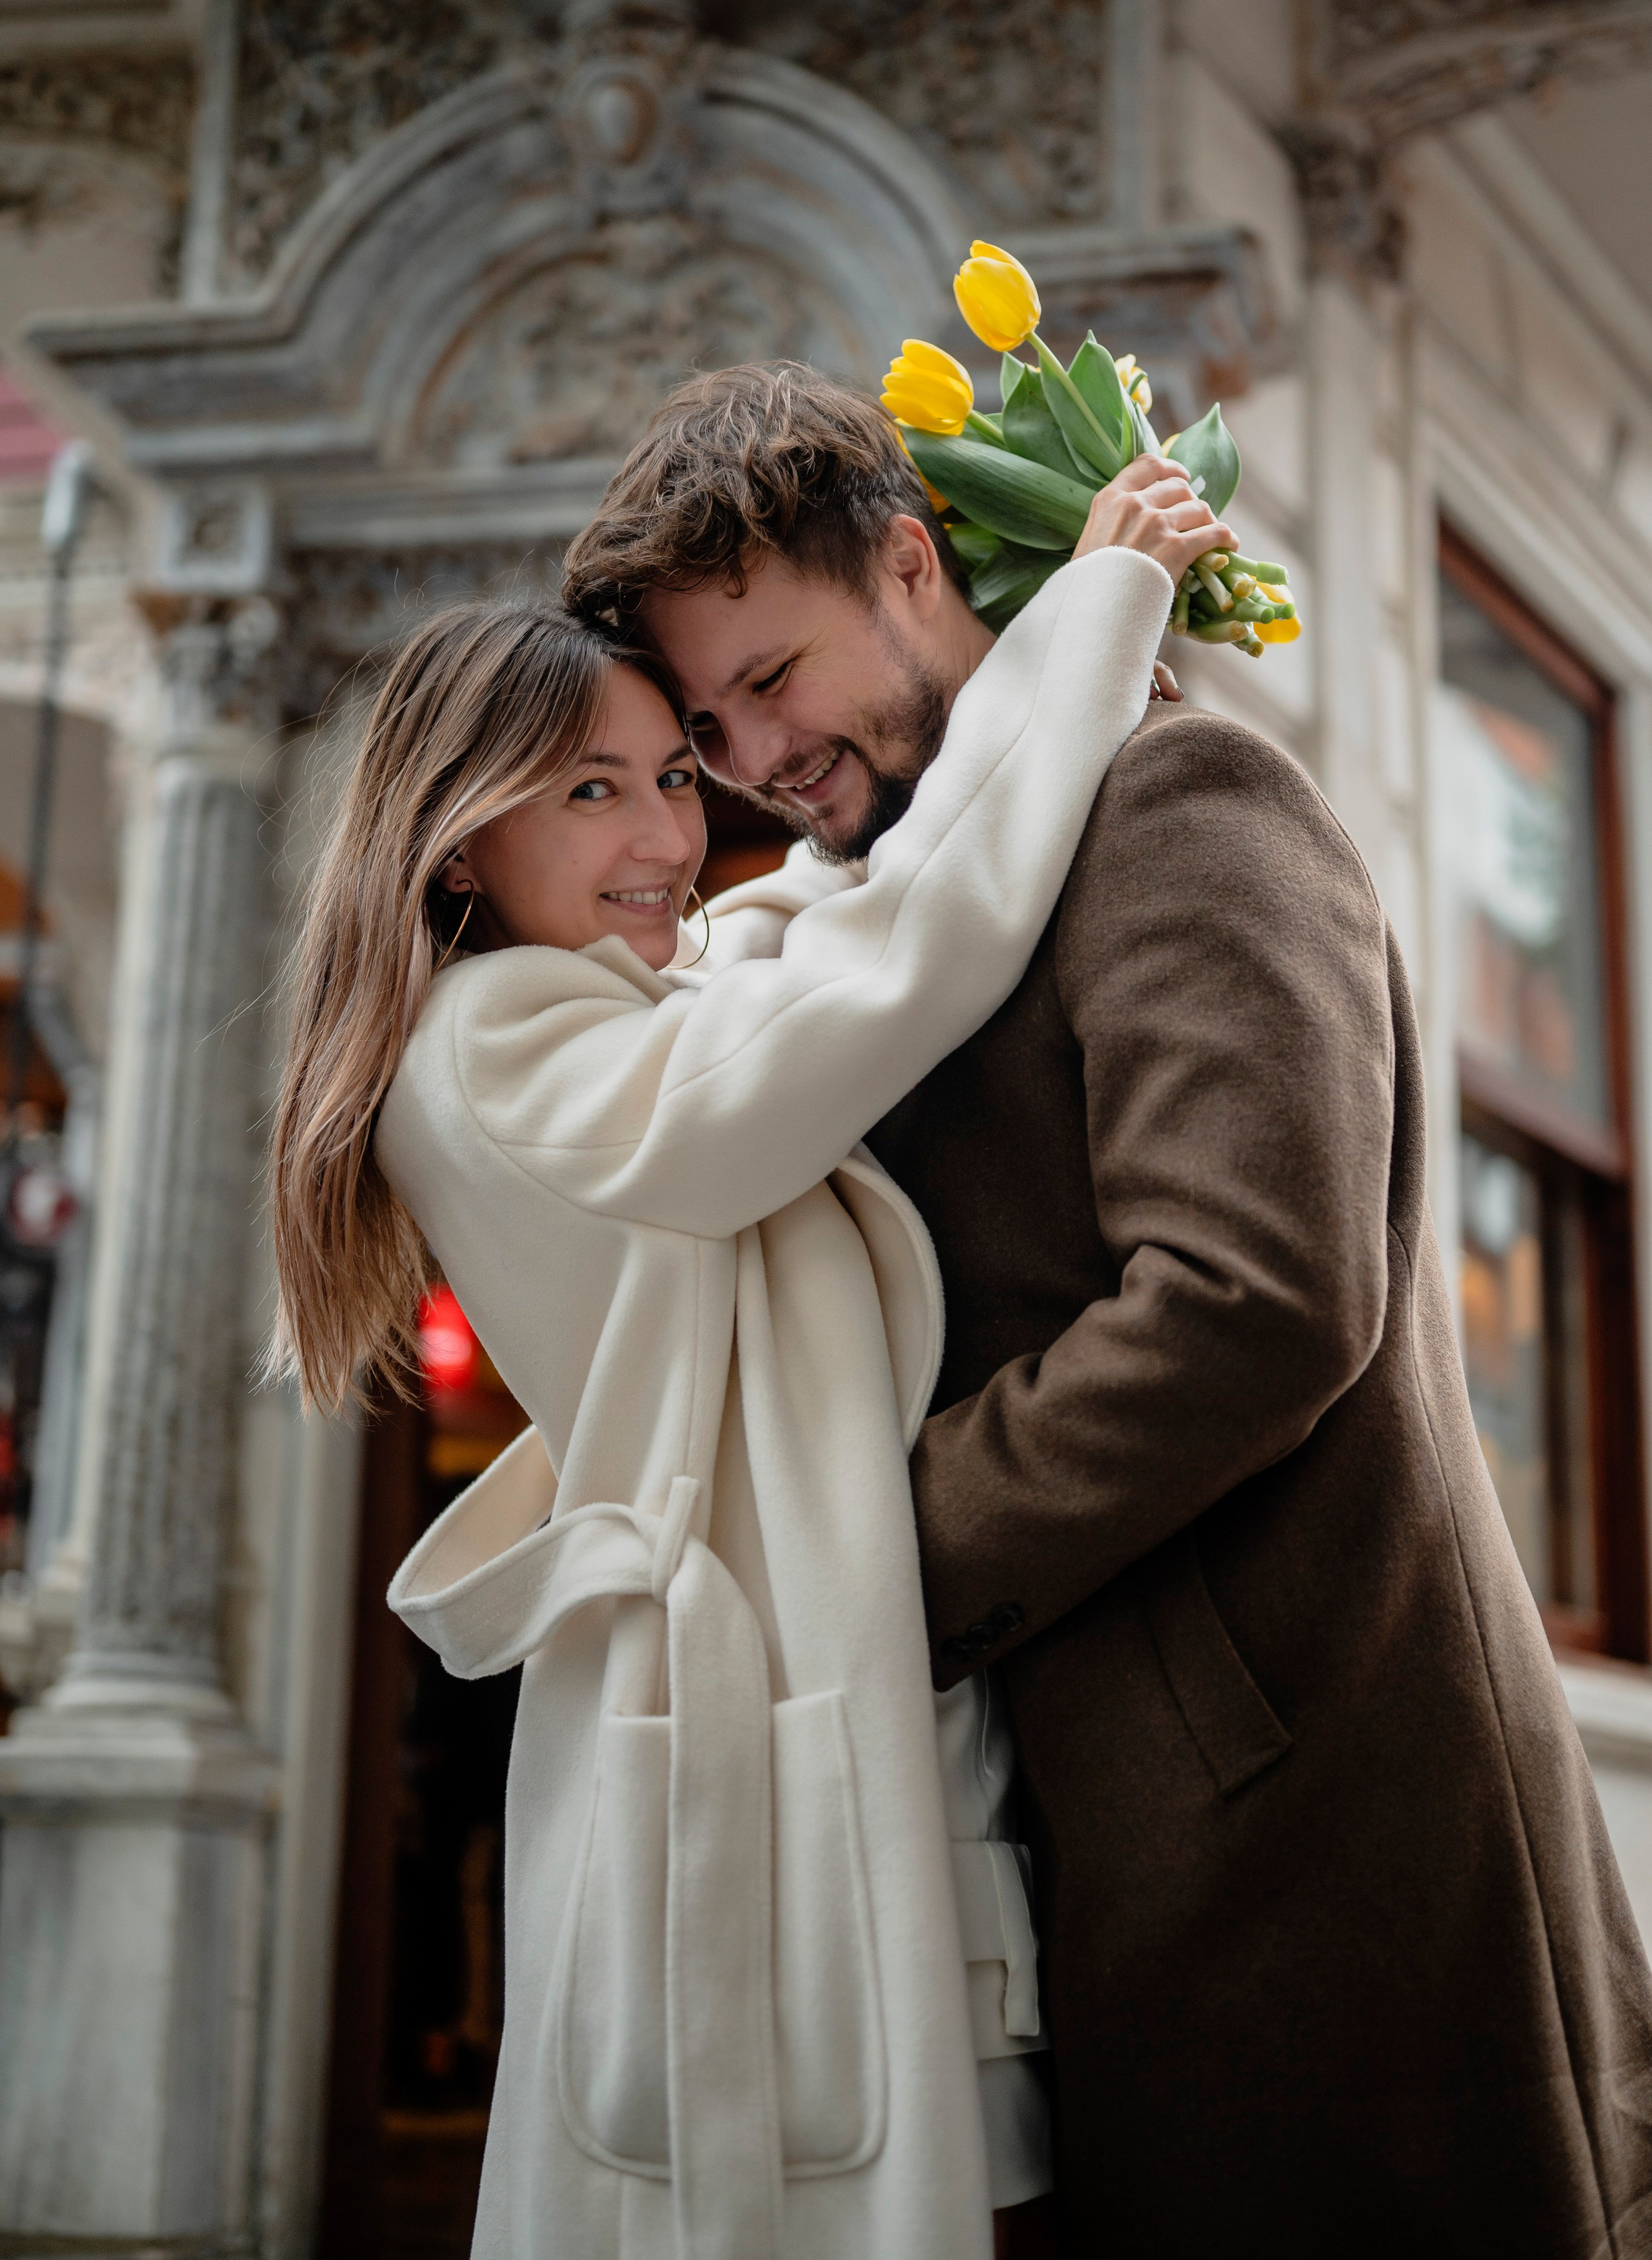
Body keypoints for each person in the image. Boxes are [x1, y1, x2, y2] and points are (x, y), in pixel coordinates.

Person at [562, 361, 1652, 2259]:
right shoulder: (898, 896)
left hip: (1315, 1821)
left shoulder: (1173, 793)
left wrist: (863, 1546)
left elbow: (1255, 1296)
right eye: (709, 725)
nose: (750, 759)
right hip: (1107, 1820)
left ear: (912, 566)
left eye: (773, 680)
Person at [266, 467, 1216, 2259]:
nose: (668, 835)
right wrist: (1087, 625)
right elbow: (889, 969)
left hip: (822, 1737)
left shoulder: (610, 1018)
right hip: (743, 1767)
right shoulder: (490, 1052)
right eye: (591, 791)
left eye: (678, 777)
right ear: (460, 839)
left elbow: (771, 955)